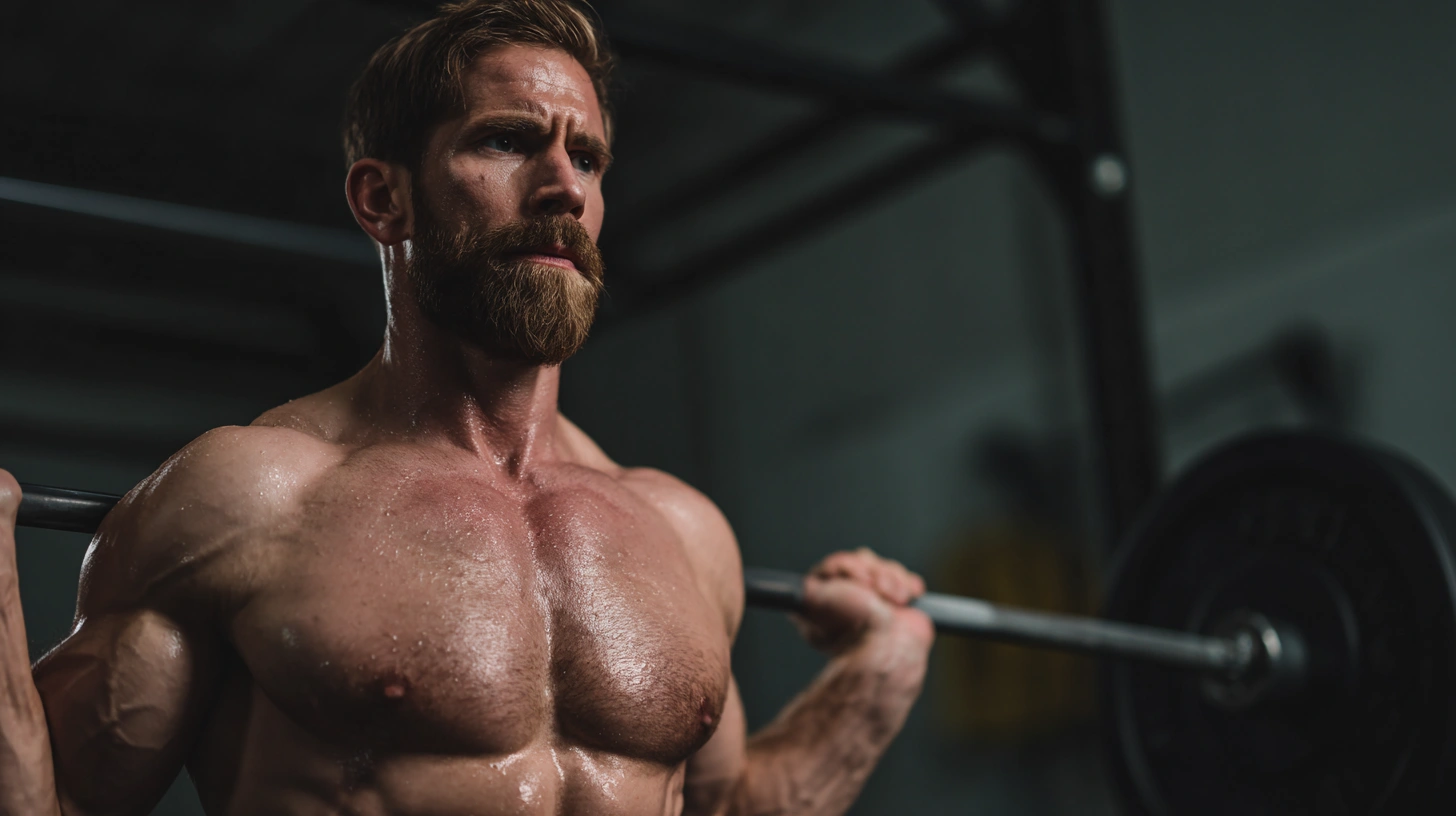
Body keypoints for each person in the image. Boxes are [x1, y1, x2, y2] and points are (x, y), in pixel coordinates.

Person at [0, 2, 935, 813]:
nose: (564, 185)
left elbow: (728, 810)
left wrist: (882, 669)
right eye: (507, 141)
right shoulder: (248, 498)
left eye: (589, 157)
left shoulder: (686, 533)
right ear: (382, 199)